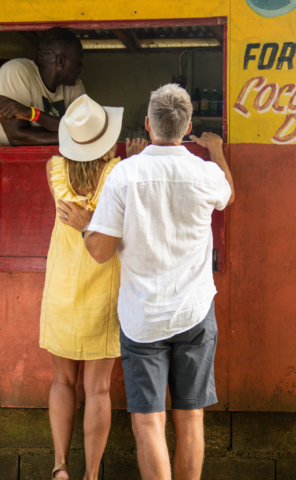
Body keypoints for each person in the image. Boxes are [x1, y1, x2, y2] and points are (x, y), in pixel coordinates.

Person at [80, 83, 234, 480]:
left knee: (148, 421)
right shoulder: (205, 172)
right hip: (195, 312)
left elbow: (100, 251)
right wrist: (215, 149)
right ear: (187, 128)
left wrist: (86, 228)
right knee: (191, 416)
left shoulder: (124, 175)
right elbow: (228, 196)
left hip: (142, 317)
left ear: (148, 125)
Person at [40, 93, 147, 480]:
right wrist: (136, 158)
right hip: (104, 293)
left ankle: (60, 467)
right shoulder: (120, 173)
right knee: (98, 391)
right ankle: (91, 474)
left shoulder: (54, 170)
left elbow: (69, 169)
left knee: (62, 381)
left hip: (62, 292)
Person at [0, 27, 85, 146]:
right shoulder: (17, 71)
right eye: (78, 60)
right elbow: (17, 136)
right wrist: (74, 137)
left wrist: (32, 113)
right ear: (60, 61)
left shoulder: (74, 86)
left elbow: (83, 129)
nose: (81, 66)